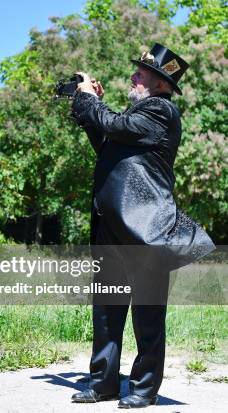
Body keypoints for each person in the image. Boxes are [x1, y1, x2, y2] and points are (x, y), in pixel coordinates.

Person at [70, 44, 215, 408]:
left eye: (141, 73)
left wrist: (91, 101)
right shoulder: (139, 116)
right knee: (106, 310)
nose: (133, 77)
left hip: (148, 229)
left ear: (161, 84)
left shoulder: (160, 110)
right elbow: (105, 141)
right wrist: (89, 107)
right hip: (112, 227)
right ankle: (103, 383)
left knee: (147, 316)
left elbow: (114, 124)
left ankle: (143, 389)